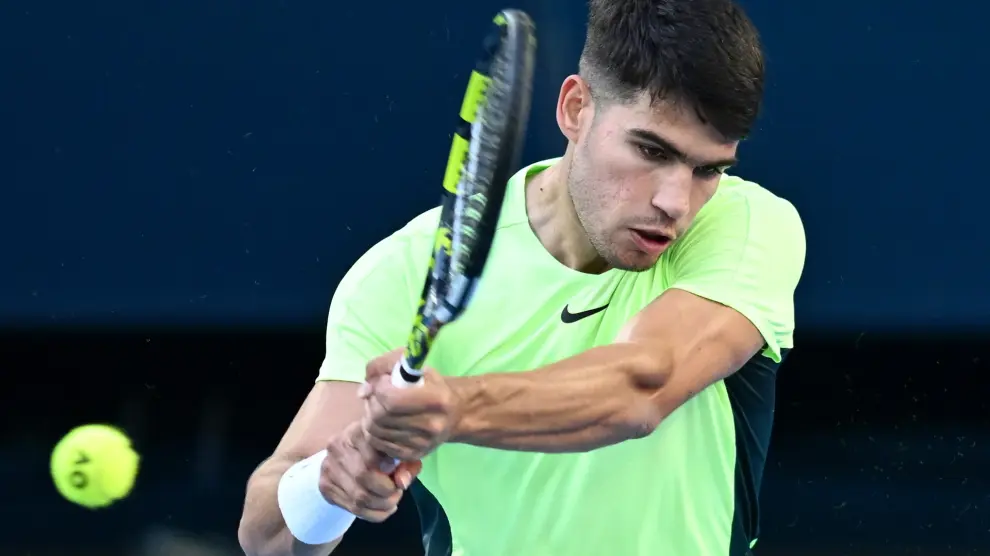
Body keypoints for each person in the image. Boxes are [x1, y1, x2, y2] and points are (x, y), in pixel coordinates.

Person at [237, 0, 805, 554]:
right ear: (576, 109)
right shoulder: (405, 271)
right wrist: (329, 485)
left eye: (709, 169)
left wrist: (452, 410)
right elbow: (265, 538)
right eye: (650, 150)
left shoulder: (745, 224)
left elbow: (642, 387)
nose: (676, 202)